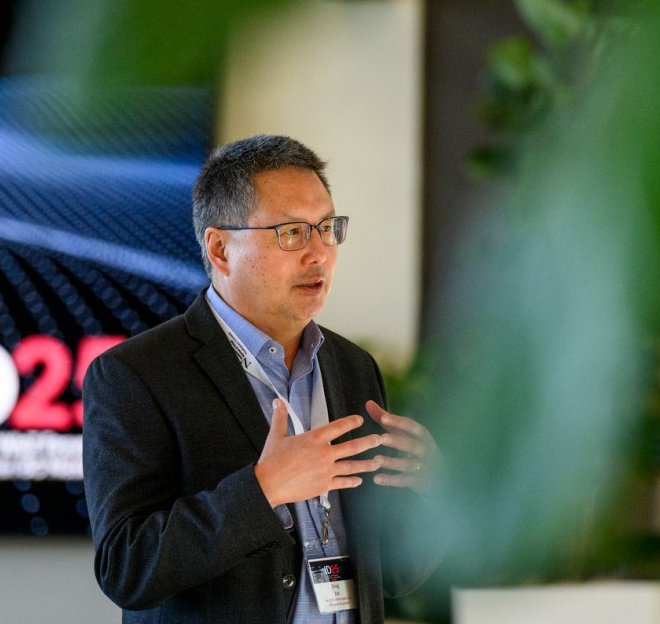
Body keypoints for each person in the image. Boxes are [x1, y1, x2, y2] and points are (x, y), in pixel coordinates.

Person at [83, 134, 442, 623]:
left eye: (326, 228)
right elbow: (127, 568)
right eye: (292, 232)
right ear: (220, 248)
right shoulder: (135, 375)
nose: (319, 253)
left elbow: (394, 577)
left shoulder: (353, 367)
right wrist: (262, 489)